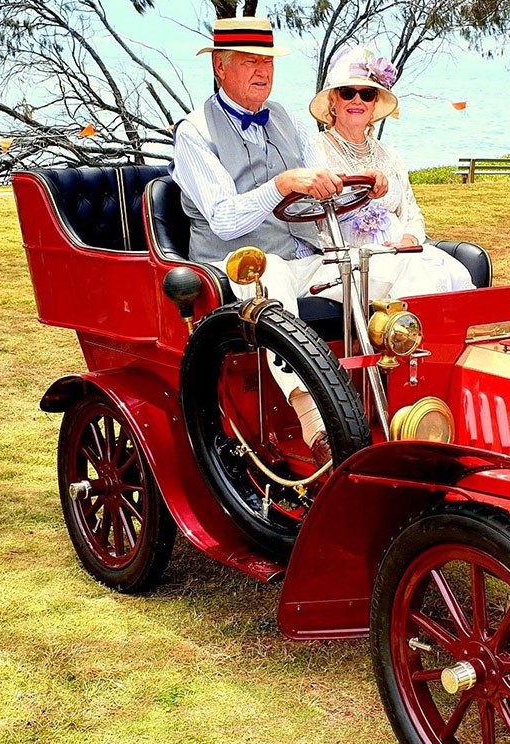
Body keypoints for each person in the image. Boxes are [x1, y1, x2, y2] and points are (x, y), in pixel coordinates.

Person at [170, 17, 394, 464]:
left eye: (268, 61)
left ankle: (403, 400)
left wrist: (356, 181)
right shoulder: (194, 133)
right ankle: (314, 420)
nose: (263, 71)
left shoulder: (288, 121)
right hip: (231, 266)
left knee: (371, 266)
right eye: (251, 61)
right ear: (220, 67)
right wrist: (281, 184)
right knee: (267, 272)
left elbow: (322, 180)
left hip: (297, 254)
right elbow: (223, 219)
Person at [310, 47, 475, 293]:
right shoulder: (314, 150)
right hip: (348, 262)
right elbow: (307, 215)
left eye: (366, 94)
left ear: (375, 103)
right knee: (416, 279)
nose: (357, 101)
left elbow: (412, 212)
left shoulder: (390, 154)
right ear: (333, 100)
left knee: (455, 272)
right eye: (347, 93)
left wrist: (409, 240)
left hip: (400, 253)